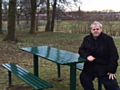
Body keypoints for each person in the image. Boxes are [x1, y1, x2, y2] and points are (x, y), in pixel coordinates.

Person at [78, 21, 120, 90]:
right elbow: (81, 50)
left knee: (112, 86)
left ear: (101, 29)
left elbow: (114, 55)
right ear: (91, 30)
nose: (95, 31)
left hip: (104, 68)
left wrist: (112, 70)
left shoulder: (108, 39)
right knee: (84, 78)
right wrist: (87, 56)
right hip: (90, 67)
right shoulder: (87, 39)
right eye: (93, 29)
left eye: (97, 29)